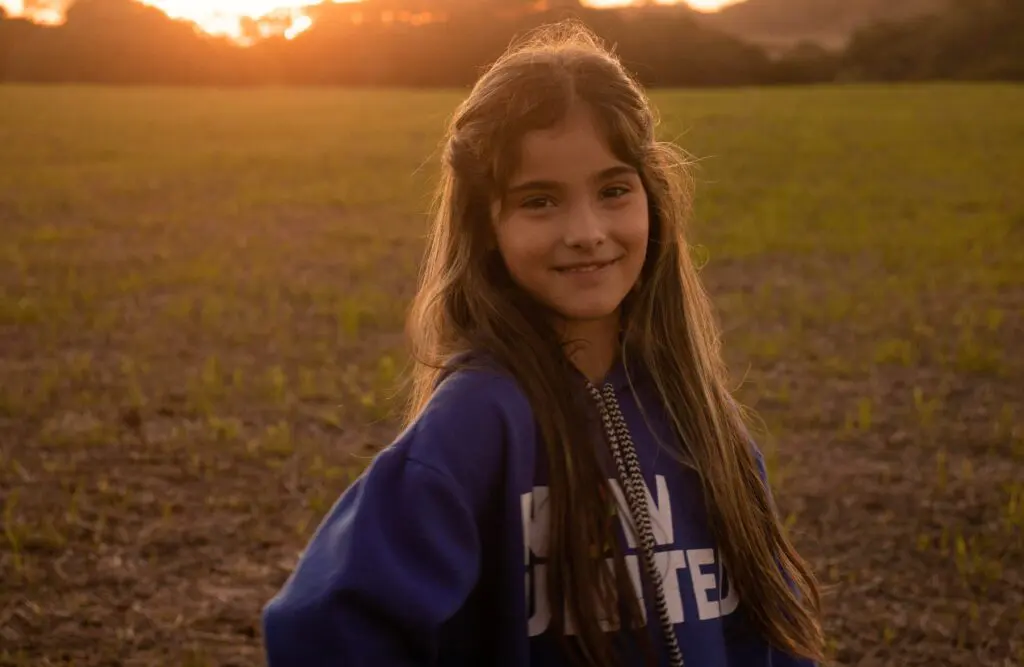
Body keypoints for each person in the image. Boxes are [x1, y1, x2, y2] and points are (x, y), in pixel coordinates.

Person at [261, 19, 826, 667]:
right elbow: (326, 629)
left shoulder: (702, 421)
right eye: (539, 201)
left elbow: (770, 638)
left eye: (613, 190)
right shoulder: (477, 423)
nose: (586, 231)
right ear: (486, 226)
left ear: (653, 200)